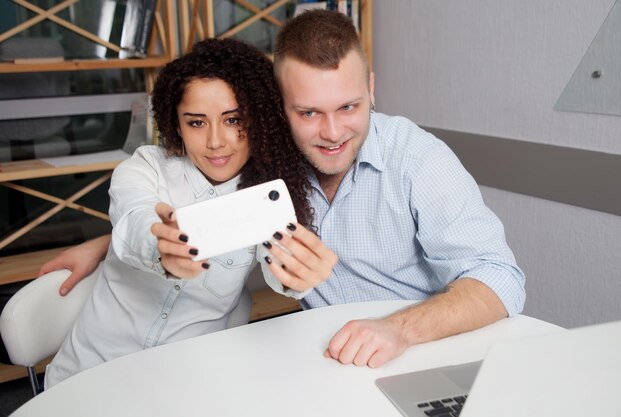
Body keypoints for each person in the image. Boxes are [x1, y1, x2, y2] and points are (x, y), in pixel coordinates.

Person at [41, 10, 525, 369]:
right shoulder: (267, 169)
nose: (333, 132)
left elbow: (502, 279)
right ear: (277, 108)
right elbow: (192, 209)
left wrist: (399, 328)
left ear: (372, 89)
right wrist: (112, 244)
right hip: (330, 362)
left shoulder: (417, 159)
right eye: (308, 112)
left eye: (350, 106)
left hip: (429, 348)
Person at [43, 37, 337, 388]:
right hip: (87, 378)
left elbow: (279, 263)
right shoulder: (144, 168)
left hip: (184, 386)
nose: (216, 141)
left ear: (258, 120)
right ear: (176, 124)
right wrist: (161, 249)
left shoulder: (267, 195)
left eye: (233, 119)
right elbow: (135, 219)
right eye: (197, 122)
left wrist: (295, 275)